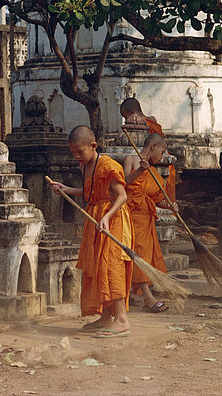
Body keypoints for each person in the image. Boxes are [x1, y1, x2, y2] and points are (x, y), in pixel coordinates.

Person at [49, 125, 133, 337]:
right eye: (73, 152)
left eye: (80, 151)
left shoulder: (108, 165)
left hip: (113, 219)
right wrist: (65, 189)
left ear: (93, 146)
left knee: (111, 266)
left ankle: (121, 319)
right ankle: (106, 317)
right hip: (95, 220)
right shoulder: (85, 166)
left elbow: (122, 196)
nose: (77, 156)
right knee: (97, 266)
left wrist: (106, 216)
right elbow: (89, 194)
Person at [123, 133, 179, 312]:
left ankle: (135, 294)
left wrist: (170, 205)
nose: (161, 157)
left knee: (144, 256)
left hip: (145, 219)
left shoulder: (154, 173)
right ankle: (148, 298)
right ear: (153, 146)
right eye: (161, 152)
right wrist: (140, 170)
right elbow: (122, 183)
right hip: (129, 216)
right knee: (136, 254)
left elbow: (157, 200)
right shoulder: (131, 160)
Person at [120, 97, 176, 202]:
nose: (127, 121)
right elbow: (124, 182)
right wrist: (141, 170)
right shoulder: (131, 159)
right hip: (133, 208)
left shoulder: (147, 123)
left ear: (133, 113)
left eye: (126, 116)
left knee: (166, 192)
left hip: (159, 156)